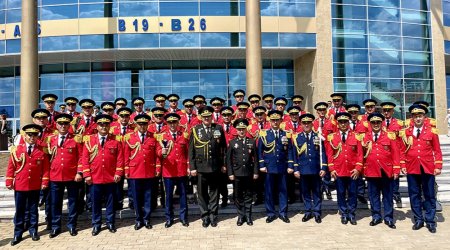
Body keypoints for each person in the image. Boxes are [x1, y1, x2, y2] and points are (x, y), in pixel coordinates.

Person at [400, 104, 442, 233]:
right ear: (411, 118)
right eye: (415, 116)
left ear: (424, 117)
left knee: (429, 194)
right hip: (412, 167)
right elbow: (402, 150)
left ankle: (430, 220)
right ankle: (418, 219)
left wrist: (438, 166)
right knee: (414, 194)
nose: (418, 118)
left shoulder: (431, 132)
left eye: (420, 116)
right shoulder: (406, 132)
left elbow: (437, 150)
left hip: (427, 167)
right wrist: (402, 165)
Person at [6, 124, 50, 246]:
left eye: (35, 135)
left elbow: (46, 169)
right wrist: (9, 181)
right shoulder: (16, 149)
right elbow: (11, 166)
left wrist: (45, 181)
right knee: (20, 210)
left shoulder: (42, 150)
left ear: (38, 136)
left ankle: (33, 231)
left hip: (35, 185)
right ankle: (18, 233)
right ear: (24, 136)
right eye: (29, 135)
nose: (32, 137)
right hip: (20, 184)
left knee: (33, 209)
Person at [82, 114, 123, 236]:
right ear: (97, 126)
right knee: (96, 202)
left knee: (111, 202)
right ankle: (96, 224)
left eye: (106, 124)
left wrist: (118, 172)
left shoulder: (115, 140)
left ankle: (110, 222)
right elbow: (84, 158)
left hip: (111, 177)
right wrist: (87, 175)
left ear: (109, 126)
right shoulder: (89, 140)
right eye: (101, 124)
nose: (103, 127)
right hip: (95, 177)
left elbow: (120, 158)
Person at [188, 106, 226, 228]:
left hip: (215, 167)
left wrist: (224, 164)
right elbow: (191, 151)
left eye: (208, 116)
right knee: (202, 193)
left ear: (211, 117)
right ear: (201, 118)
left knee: (215, 193)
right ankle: (205, 216)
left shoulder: (218, 128)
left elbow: (223, 148)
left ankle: (213, 216)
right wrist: (192, 167)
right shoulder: (195, 130)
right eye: (204, 117)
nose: (206, 119)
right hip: (200, 168)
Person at [47, 114, 84, 238]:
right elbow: (46, 159)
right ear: (56, 125)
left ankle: (72, 225)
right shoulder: (50, 139)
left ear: (69, 126)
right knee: (55, 203)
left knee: (73, 202)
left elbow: (81, 157)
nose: (63, 126)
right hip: (55, 176)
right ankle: (55, 227)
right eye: (60, 124)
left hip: (72, 176)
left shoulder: (76, 139)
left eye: (65, 124)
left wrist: (79, 172)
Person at [362, 113, 399, 229]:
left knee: (387, 195)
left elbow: (395, 153)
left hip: (386, 170)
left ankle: (388, 217)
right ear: (370, 124)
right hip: (371, 170)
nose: (376, 124)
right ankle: (376, 216)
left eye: (378, 122)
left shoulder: (390, 136)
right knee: (373, 195)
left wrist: (396, 169)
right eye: (373, 122)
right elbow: (361, 154)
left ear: (381, 123)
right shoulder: (365, 137)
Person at [325, 112, 363, 225]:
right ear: (337, 123)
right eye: (340, 122)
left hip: (352, 171)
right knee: (341, 192)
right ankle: (343, 214)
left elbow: (360, 154)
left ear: (348, 122)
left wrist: (358, 168)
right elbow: (330, 154)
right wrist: (331, 169)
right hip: (339, 170)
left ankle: (351, 214)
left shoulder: (356, 136)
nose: (343, 124)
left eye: (345, 122)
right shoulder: (332, 137)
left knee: (353, 192)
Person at [123, 114, 159, 230]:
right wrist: (126, 169)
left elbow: (157, 155)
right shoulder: (129, 137)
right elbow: (126, 155)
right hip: (135, 171)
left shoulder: (153, 137)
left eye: (144, 124)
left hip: (149, 171)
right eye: (140, 124)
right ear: (136, 125)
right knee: (137, 197)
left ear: (148, 124)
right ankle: (138, 219)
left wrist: (157, 168)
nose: (142, 126)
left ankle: (147, 219)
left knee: (148, 197)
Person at [258, 110, 293, 224]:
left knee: (283, 190)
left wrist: (290, 165)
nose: (275, 122)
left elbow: (290, 151)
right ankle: (271, 213)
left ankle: (283, 213)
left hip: (282, 166)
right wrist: (262, 165)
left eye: (277, 120)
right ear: (269, 121)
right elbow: (260, 151)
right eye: (273, 120)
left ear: (281, 121)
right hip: (269, 167)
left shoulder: (286, 134)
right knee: (269, 191)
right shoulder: (264, 134)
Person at [292, 113, 327, 223]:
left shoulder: (318, 136)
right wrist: (296, 169)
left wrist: (323, 168)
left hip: (316, 169)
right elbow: (294, 155)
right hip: (303, 170)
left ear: (312, 124)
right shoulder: (297, 137)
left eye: (308, 123)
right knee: (305, 192)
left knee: (317, 192)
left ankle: (317, 212)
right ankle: (308, 211)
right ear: (301, 124)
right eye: (304, 123)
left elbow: (323, 154)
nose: (306, 125)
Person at [157, 113, 190, 228]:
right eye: (170, 122)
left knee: (183, 195)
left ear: (178, 123)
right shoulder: (162, 137)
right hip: (168, 171)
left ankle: (183, 217)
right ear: (167, 123)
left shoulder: (184, 135)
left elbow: (187, 153)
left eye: (174, 122)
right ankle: (169, 218)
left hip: (181, 170)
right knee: (168, 196)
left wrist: (189, 167)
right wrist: (162, 152)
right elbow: (157, 152)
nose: (172, 124)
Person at [226, 118, 258, 226]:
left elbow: (256, 158)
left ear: (246, 129)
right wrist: (230, 173)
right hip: (237, 173)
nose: (241, 131)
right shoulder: (232, 142)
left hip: (248, 173)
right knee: (238, 196)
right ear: (236, 130)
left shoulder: (251, 142)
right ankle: (240, 216)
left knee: (249, 195)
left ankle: (248, 216)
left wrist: (255, 172)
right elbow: (228, 159)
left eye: (243, 129)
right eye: (239, 129)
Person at [380, 102, 404, 203]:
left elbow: (402, 140)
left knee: (395, 172)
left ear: (393, 111)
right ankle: (384, 192)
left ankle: (395, 192)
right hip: (383, 152)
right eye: (384, 110)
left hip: (395, 151)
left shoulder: (399, 123)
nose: (386, 112)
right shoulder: (378, 123)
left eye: (388, 110)